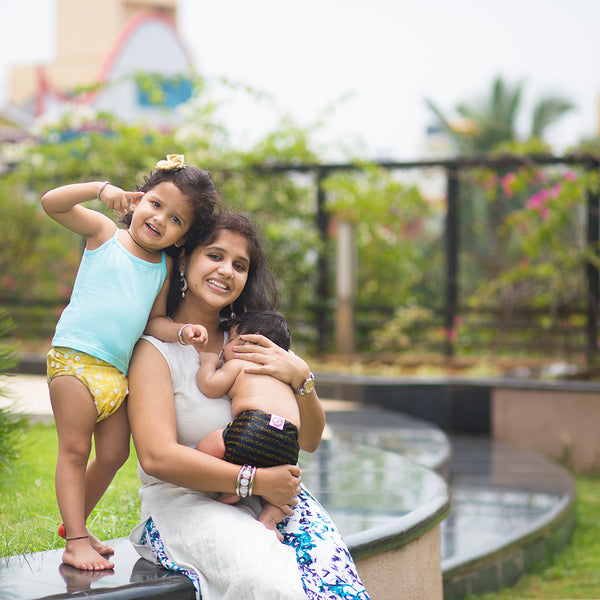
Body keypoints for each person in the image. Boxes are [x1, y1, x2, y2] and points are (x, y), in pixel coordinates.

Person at [127, 211, 371, 599]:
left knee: (337, 585)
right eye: (215, 256)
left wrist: (302, 377)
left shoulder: (248, 339)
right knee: (270, 584)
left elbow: (307, 440)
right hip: (187, 503)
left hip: (274, 499)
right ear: (185, 259)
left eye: (239, 265)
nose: (227, 271)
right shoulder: (154, 351)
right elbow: (157, 458)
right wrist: (254, 480)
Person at [42, 154, 220, 571]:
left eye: (176, 220)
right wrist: (100, 189)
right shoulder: (104, 233)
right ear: (138, 200)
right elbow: (52, 203)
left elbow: (154, 320)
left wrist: (180, 332)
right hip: (76, 360)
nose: (160, 220)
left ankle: (74, 527)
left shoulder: (163, 265)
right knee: (73, 450)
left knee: (114, 455)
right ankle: (77, 541)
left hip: (115, 375)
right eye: (156, 204)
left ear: (182, 238)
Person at [196, 310, 304, 540]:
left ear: (246, 345)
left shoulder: (239, 365)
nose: (226, 347)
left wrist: (208, 362)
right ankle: (270, 519)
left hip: (253, 428)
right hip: (288, 440)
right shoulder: (283, 375)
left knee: (213, 442)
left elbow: (209, 386)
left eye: (231, 341)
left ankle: (230, 490)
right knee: (289, 488)